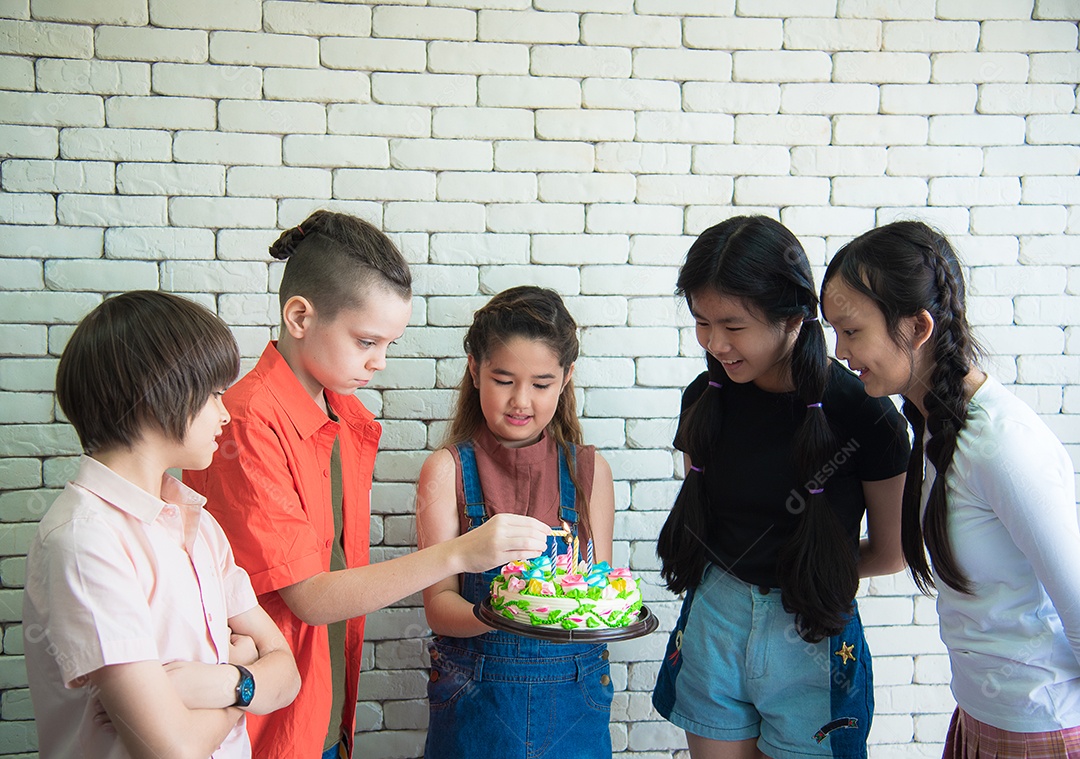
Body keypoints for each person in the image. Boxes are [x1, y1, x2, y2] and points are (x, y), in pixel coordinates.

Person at [185, 211, 549, 759]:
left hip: (326, 701)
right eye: (365, 342)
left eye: (388, 345)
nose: (379, 362)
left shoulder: (343, 416)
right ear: (300, 316)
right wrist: (460, 553)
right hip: (265, 723)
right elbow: (308, 596)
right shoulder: (245, 421)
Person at [652, 215, 912, 759]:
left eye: (734, 324)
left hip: (811, 630)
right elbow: (706, 521)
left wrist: (810, 570)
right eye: (702, 322)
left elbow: (892, 553)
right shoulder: (704, 398)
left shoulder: (867, 413)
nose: (715, 342)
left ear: (794, 317)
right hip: (715, 619)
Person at [821, 221, 1080, 755]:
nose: (841, 352)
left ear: (917, 327)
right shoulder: (937, 426)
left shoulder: (1004, 445)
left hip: (1041, 725)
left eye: (852, 331)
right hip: (980, 715)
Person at [23, 291, 300, 759]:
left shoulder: (199, 526)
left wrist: (215, 683)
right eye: (214, 394)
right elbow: (172, 750)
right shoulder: (85, 540)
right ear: (159, 394)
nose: (225, 413)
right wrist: (245, 684)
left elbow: (289, 676)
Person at [416, 285, 617, 758]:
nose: (520, 400)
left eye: (541, 384)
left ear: (566, 378)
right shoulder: (446, 471)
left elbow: (597, 590)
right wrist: (508, 613)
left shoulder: (590, 471)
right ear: (474, 369)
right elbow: (438, 606)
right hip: (476, 698)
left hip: (575, 696)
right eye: (503, 379)